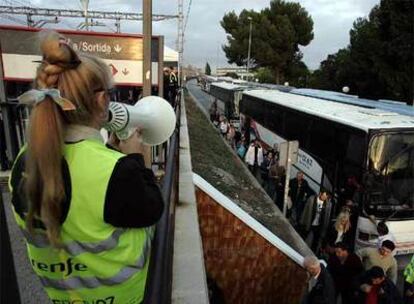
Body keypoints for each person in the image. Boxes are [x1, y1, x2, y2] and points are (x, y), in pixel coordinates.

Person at [9, 32, 164, 303]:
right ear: (103, 101)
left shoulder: (24, 159)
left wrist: (116, 159)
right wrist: (136, 159)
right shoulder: (116, 172)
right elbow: (152, 209)